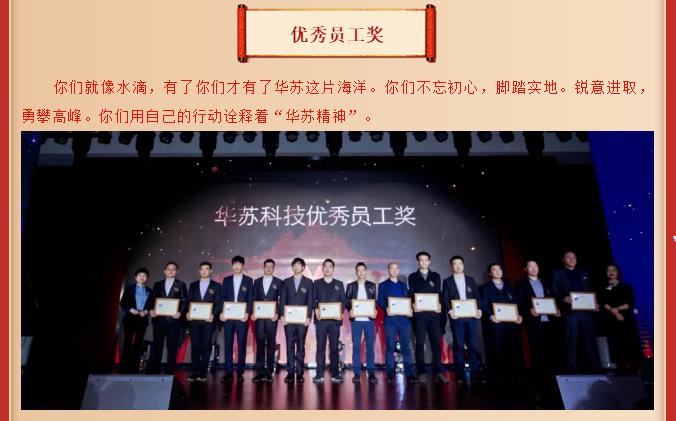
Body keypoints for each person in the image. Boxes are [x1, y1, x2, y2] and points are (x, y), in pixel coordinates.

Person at [551, 251, 600, 373]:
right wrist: (563, 298)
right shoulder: (557, 273)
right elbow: (553, 291)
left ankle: (594, 369)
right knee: (571, 341)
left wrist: (595, 303)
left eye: (574, 257)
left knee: (589, 341)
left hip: (586, 311)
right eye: (568, 257)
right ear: (563, 260)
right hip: (570, 312)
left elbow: (590, 290)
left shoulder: (584, 273)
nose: (572, 259)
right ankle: (572, 369)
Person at [515, 260, 561, 382]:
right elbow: (519, 302)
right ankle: (539, 375)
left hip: (549, 319)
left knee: (550, 347)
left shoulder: (546, 282)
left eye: (535, 266)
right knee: (536, 348)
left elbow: (554, 298)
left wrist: (556, 309)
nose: (533, 268)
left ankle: (552, 373)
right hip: (533, 320)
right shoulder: (521, 284)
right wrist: (528, 310)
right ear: (525, 269)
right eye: (530, 267)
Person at [407, 251, 448, 383]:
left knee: (436, 343)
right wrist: (413, 304)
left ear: (429, 261)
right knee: (419, 343)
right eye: (421, 260)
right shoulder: (412, 276)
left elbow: (438, 293)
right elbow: (411, 292)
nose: (423, 262)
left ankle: (439, 372)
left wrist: (439, 304)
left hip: (434, 315)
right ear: (417, 262)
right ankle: (421, 372)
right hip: (419, 315)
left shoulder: (436, 276)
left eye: (426, 260)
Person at [441, 255, 482, 385]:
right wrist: (450, 311)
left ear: (463, 265)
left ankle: (475, 374)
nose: (458, 266)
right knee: (458, 346)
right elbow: (445, 298)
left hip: (471, 317)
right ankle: (460, 375)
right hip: (457, 318)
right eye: (455, 264)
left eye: (460, 263)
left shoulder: (470, 280)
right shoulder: (447, 281)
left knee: (473, 346)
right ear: (451, 266)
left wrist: (479, 309)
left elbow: (477, 296)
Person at [480, 263, 523, 383]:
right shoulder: (485, 287)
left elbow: (517, 303)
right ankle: (498, 377)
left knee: (513, 349)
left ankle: (515, 376)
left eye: (499, 269)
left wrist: (519, 315)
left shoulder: (510, 286)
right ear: (490, 273)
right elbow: (483, 305)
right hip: (496, 324)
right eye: (494, 269)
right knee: (497, 350)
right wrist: (490, 316)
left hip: (511, 324)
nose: (497, 271)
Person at [377, 262, 417, 384]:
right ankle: (390, 373)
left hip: (404, 320)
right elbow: (380, 301)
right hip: (390, 320)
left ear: (398, 270)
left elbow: (407, 301)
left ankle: (409, 373)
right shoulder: (383, 285)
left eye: (396, 268)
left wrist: (410, 309)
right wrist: (386, 308)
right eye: (391, 268)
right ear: (388, 270)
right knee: (390, 346)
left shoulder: (403, 285)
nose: (394, 270)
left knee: (406, 346)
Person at [598, 264, 642, 374]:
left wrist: (617, 310)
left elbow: (630, 302)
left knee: (629, 341)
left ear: (617, 272)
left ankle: (634, 367)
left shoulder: (626, 286)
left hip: (626, 318)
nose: (611, 272)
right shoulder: (603, 288)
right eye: (608, 270)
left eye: (613, 270)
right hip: (611, 319)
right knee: (615, 342)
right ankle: (620, 367)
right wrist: (613, 311)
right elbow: (603, 302)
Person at [218, 255, 254, 383]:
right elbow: (222, 297)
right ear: (232, 265)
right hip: (228, 317)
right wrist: (221, 312)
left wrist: (247, 313)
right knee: (228, 344)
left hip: (242, 318)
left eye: (239, 264)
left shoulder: (248, 280)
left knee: (241, 344)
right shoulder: (226, 280)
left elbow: (250, 298)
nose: (237, 266)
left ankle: (240, 372)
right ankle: (228, 372)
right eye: (235, 264)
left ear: (243, 265)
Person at [148, 261, 188, 375]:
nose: (171, 271)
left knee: (172, 346)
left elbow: (184, 301)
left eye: (173, 269)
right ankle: (155, 368)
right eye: (168, 269)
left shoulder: (181, 284)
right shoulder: (157, 284)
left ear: (177, 271)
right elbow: (153, 299)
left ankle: (170, 369)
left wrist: (180, 312)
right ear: (164, 271)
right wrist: (151, 310)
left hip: (173, 320)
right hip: (159, 319)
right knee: (157, 345)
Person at [312, 258, 347, 383]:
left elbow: (343, 301)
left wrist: (341, 312)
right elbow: (312, 299)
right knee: (320, 347)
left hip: (334, 321)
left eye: (330, 267)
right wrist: (316, 308)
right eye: (325, 266)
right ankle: (319, 373)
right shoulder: (316, 283)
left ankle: (335, 373)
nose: (327, 269)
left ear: (333, 269)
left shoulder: (339, 284)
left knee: (334, 348)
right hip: (321, 321)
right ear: (322, 269)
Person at [280, 257, 313, 383]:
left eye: (299, 265)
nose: (296, 267)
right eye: (294, 265)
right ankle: (289, 372)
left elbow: (310, 300)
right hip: (288, 320)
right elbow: (282, 299)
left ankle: (299, 373)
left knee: (300, 346)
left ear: (303, 267)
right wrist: (282, 315)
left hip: (302, 320)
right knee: (289, 345)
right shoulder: (286, 282)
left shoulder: (308, 282)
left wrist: (308, 316)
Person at [186, 261, 220, 382]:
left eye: (207, 269)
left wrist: (213, 314)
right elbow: (189, 301)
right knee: (195, 346)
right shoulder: (193, 285)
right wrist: (188, 313)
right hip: (194, 320)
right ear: (199, 271)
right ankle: (194, 372)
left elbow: (218, 303)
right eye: (202, 269)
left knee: (206, 346)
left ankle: (203, 373)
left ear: (211, 271)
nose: (204, 271)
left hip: (208, 321)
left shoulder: (216, 286)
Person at [345, 262, 378, 384]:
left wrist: (374, 310)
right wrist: (350, 310)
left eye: (363, 270)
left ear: (366, 271)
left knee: (370, 347)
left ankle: (371, 373)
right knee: (356, 347)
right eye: (358, 270)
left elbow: (374, 301)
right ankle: (357, 373)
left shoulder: (372, 285)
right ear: (356, 272)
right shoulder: (351, 286)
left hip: (369, 320)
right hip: (356, 321)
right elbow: (346, 301)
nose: (361, 272)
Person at [251, 259, 283, 382]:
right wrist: (253, 312)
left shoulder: (278, 282)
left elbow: (281, 300)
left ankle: (269, 372)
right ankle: (259, 372)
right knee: (259, 345)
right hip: (259, 318)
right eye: (267, 266)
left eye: (271, 266)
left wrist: (278, 314)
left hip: (271, 318)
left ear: (274, 268)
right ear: (263, 268)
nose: (269, 268)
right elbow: (253, 298)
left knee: (270, 345)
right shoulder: (257, 281)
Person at [119, 268, 154, 374]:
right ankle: (124, 366)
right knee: (127, 342)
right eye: (140, 275)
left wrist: (146, 311)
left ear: (147, 278)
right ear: (135, 277)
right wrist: (131, 309)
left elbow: (151, 305)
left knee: (138, 343)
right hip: (130, 317)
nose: (142, 277)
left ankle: (134, 366)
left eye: (144, 276)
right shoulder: (130, 288)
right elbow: (123, 302)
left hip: (142, 319)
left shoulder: (149, 291)